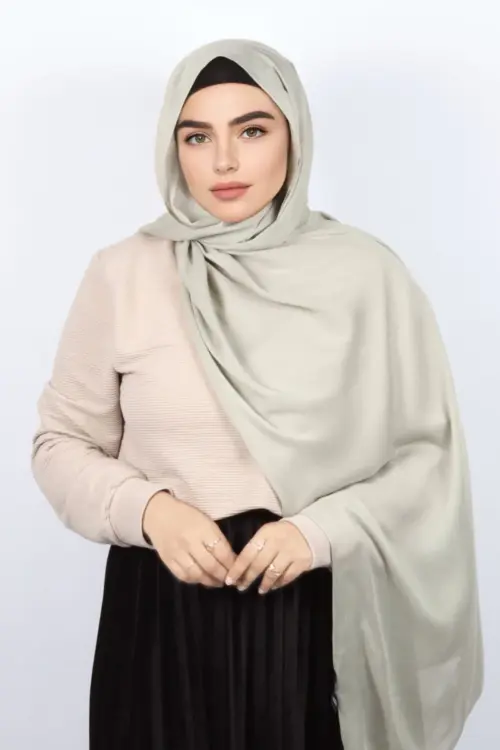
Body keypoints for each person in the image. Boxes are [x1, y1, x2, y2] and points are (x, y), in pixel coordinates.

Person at [31, 38, 483, 750]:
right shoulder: (123, 273)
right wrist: (150, 511)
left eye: (251, 130)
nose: (224, 162)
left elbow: (427, 459)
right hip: (160, 612)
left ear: (293, 135)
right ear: (172, 147)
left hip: (310, 612)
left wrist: (318, 531)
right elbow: (60, 444)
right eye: (197, 137)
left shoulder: (367, 277)